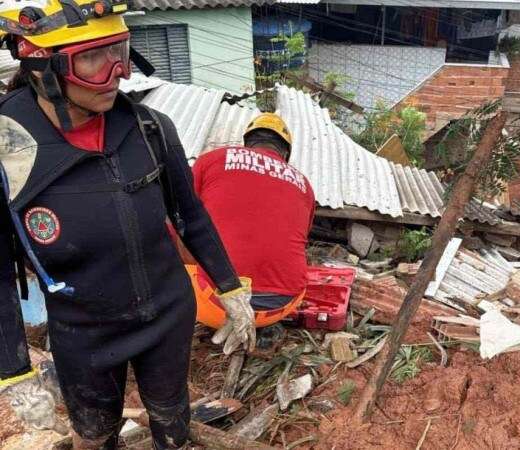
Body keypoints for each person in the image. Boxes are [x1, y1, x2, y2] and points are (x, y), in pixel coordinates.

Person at [0, 1, 255, 448]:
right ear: (43, 67)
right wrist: (12, 370)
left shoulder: (149, 128)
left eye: (120, 49)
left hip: (168, 314)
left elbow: (190, 214)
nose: (118, 72)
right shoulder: (8, 151)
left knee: (171, 425)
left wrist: (231, 289)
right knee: (95, 437)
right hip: (84, 333)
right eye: (94, 58)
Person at [190, 113, 315, 329]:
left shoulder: (212, 159)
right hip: (279, 306)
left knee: (178, 238)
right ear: (284, 153)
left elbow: (179, 217)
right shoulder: (304, 184)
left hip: (214, 303)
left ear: (247, 143)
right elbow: (302, 236)